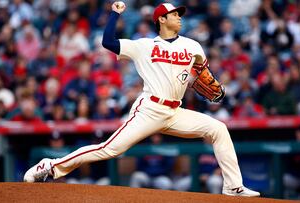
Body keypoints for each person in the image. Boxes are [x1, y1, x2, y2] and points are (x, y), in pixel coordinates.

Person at [23, 2, 260, 197]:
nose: (179, 17)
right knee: (109, 149)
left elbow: (203, 74)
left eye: (179, 14)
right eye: (173, 14)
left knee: (218, 129)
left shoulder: (193, 46)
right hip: (149, 109)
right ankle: (50, 166)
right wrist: (115, 15)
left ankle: (232, 186)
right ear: (161, 20)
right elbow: (108, 42)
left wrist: (212, 85)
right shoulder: (144, 45)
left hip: (176, 112)